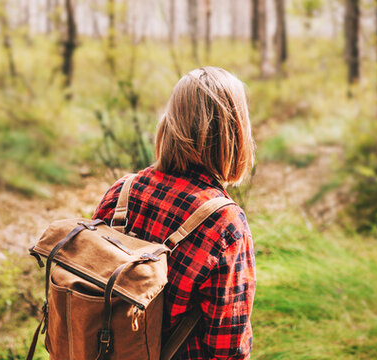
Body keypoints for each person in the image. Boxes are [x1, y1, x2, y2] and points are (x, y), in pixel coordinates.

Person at [92, 67, 256, 359]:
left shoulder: (122, 192)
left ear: (170, 122)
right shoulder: (224, 224)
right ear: (235, 132)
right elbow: (227, 349)